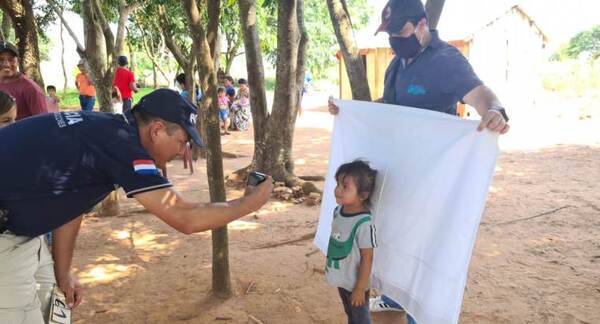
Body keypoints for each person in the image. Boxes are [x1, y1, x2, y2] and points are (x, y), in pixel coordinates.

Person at [0, 88, 274, 323]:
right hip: (6, 239)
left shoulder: (106, 129)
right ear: (156, 130)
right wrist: (250, 202)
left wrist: (63, 272)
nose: (181, 152)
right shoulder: (125, 147)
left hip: (22, 233)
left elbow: (69, 204)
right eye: (181, 142)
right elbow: (185, 217)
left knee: (51, 308)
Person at [328, 0, 510, 322]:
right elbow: (390, 108)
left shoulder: (446, 61)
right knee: (396, 236)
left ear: (422, 25)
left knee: (425, 248)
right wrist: (353, 111)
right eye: (389, 33)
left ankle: (417, 313)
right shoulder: (396, 65)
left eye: (400, 30)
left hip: (432, 181)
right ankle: (394, 297)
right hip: (399, 175)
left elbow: (481, 95)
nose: (394, 39)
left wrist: (495, 111)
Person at [325, 160, 378, 324]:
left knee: (361, 319)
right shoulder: (338, 211)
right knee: (351, 314)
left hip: (356, 285)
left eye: (345, 186)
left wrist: (360, 289)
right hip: (342, 279)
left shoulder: (363, 223)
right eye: (338, 183)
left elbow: (367, 258)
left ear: (363, 195)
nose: (337, 190)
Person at [0, 41, 47, 119]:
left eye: (11, 60)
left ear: (18, 61)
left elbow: (43, 122)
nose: (6, 64)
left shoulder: (31, 88)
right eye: (1, 60)